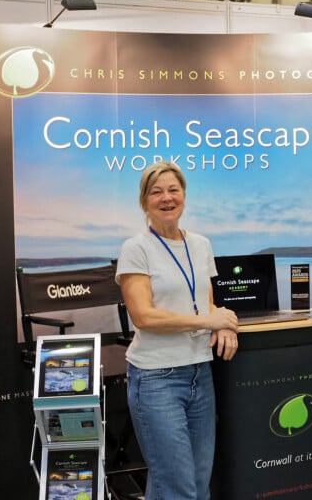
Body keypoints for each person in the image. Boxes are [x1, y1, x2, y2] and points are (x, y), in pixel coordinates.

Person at [116, 161, 239, 500]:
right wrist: (208, 322)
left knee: (196, 483)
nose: (166, 198)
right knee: (179, 488)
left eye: (173, 190)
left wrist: (225, 326)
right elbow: (144, 317)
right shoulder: (135, 249)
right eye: (156, 192)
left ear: (184, 195)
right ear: (145, 202)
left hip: (200, 372)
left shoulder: (200, 244)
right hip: (157, 379)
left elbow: (207, 303)